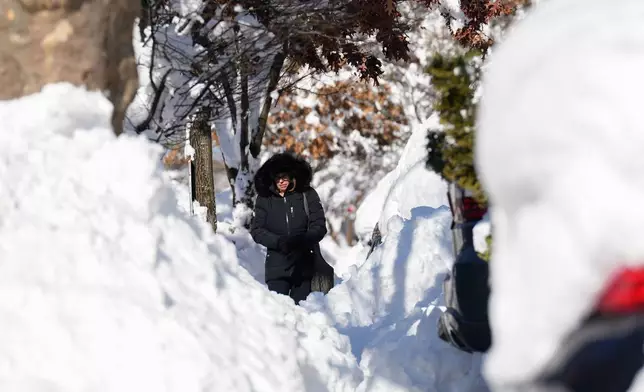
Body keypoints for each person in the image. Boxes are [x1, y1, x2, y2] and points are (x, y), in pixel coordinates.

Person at [250, 152, 328, 305]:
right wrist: (279, 242)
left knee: (303, 311)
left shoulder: (307, 194)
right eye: (278, 178)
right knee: (279, 313)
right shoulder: (264, 199)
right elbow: (257, 230)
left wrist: (303, 240)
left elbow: (319, 225)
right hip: (276, 267)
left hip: (304, 264)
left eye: (285, 177)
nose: (282, 181)